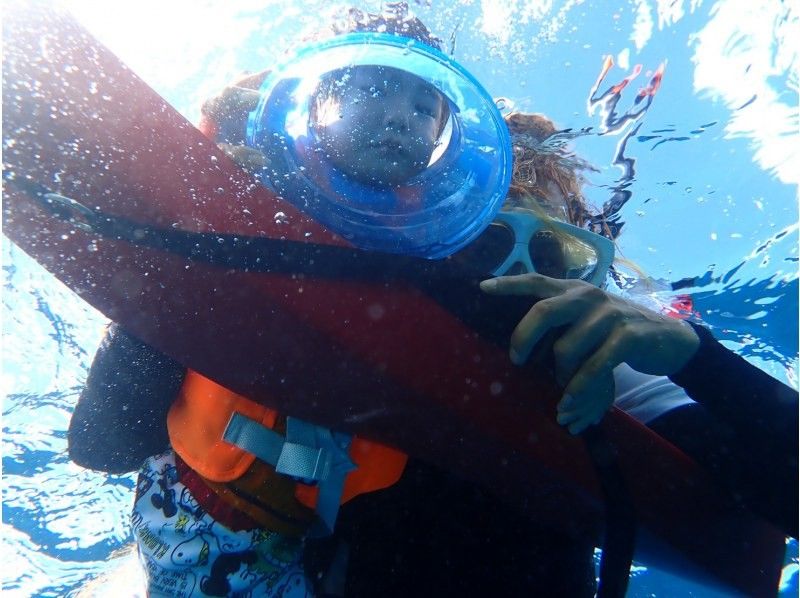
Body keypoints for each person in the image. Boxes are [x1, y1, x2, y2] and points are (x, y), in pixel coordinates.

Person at [68, 4, 797, 597]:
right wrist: (180, 278)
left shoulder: (516, 281)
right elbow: (100, 444)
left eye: (426, 105)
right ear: (302, 106)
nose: (399, 118)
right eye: (368, 88)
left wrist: (697, 357)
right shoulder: (227, 237)